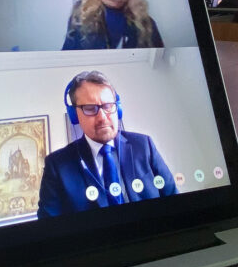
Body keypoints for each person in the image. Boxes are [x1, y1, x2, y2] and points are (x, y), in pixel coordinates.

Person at [37, 71, 176, 218]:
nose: (102, 118)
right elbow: (49, 226)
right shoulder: (57, 165)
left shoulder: (144, 145)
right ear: (74, 115)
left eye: (108, 106)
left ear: (118, 109)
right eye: (90, 108)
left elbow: (173, 199)